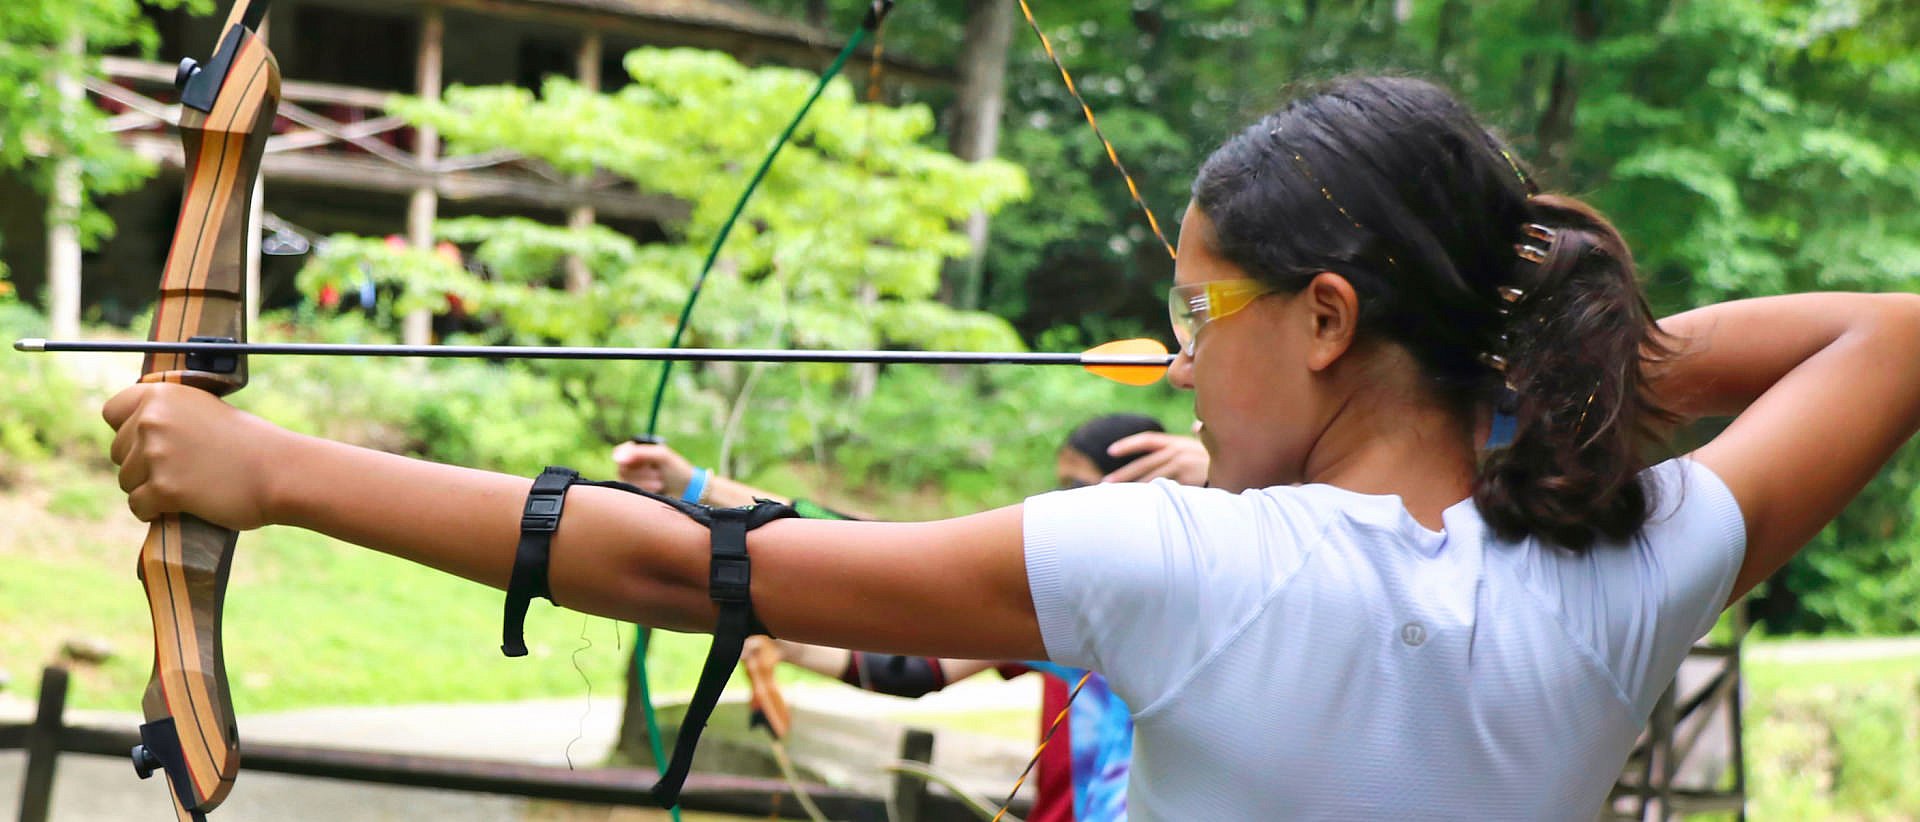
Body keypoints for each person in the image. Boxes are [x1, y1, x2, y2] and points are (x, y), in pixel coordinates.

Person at [102, 75, 1920, 818]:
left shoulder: (1191, 562)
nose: (1181, 366)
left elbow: (683, 574)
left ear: (1330, 318)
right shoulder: (1632, 566)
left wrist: (265, 469)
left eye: (1203, 314)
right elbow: (1890, 334)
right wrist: (1519, 383)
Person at [612, 414, 1203, 821]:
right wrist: (783, 638)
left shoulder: (1208, 593)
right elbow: (909, 665)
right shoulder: (1064, 603)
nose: (1058, 502)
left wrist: (699, 484)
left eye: (1075, 486)